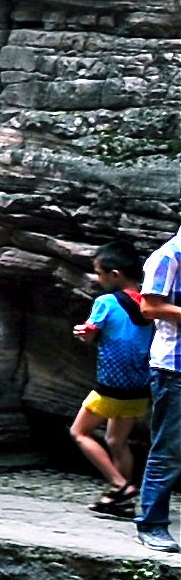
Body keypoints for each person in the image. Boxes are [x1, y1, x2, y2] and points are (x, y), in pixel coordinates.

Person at [74, 245, 155, 517]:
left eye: (99, 273)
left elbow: (89, 335)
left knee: (80, 432)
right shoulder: (150, 301)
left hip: (111, 386)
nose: (97, 279)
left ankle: (121, 486)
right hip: (139, 387)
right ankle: (122, 503)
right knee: (116, 441)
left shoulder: (106, 302)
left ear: (115, 274)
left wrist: (82, 333)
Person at [137, 220, 181, 554]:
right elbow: (149, 306)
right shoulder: (168, 257)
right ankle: (152, 524)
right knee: (168, 450)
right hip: (173, 369)